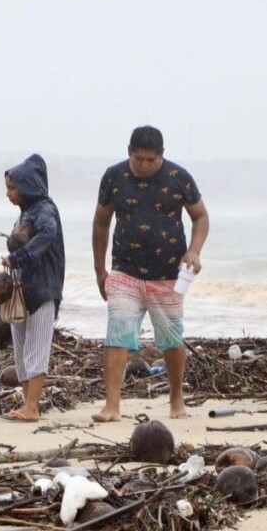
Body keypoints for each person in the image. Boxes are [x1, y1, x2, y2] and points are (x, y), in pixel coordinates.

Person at [92, 125, 209, 420]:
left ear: (161, 155)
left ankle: (176, 400)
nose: (144, 165)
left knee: (171, 338)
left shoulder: (178, 177)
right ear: (129, 152)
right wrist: (99, 270)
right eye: (138, 158)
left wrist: (194, 251)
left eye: (151, 160)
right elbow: (101, 222)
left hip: (168, 273)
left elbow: (200, 217)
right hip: (124, 270)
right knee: (117, 332)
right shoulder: (114, 176)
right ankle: (112, 406)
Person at [0, 154, 65, 422]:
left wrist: (19, 257)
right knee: (22, 349)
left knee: (36, 348)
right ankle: (27, 403)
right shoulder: (25, 213)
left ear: (28, 185)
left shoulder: (45, 210)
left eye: (12, 188)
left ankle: (33, 407)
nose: (8, 193)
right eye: (7, 188)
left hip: (42, 289)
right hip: (21, 291)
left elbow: (47, 234)